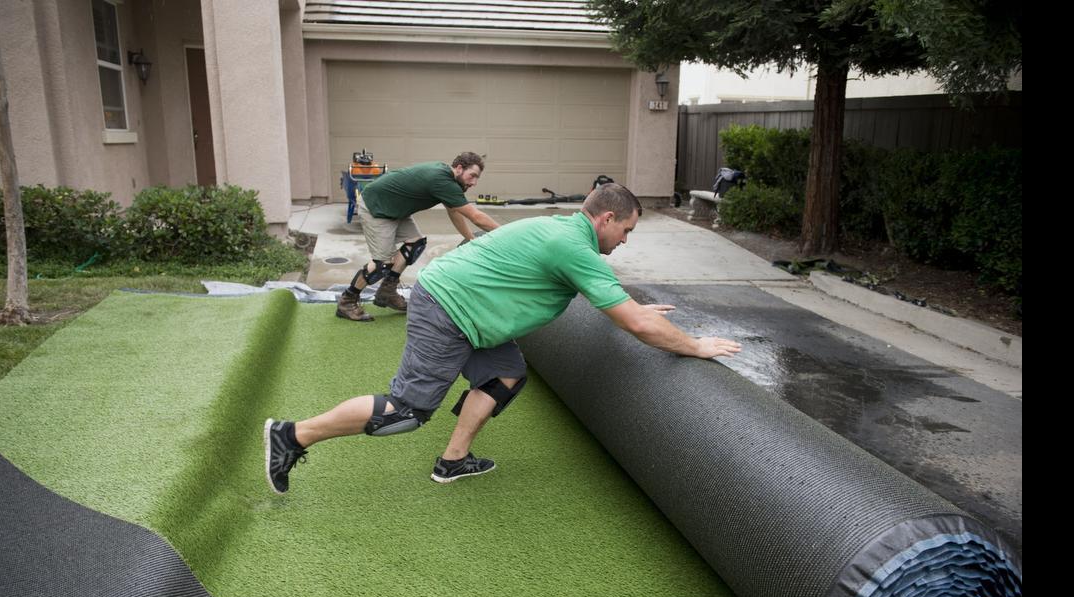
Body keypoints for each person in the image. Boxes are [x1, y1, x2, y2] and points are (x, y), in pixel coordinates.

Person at [264, 182, 742, 493]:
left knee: (507, 374)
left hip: (470, 308)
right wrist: (696, 346)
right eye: (627, 230)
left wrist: (634, 307)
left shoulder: (563, 231)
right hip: (450, 307)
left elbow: (591, 297)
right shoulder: (574, 247)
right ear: (606, 219)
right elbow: (635, 325)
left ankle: (453, 460)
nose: (626, 241)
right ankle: (292, 435)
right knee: (407, 412)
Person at [337, 151, 501, 320]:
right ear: (459, 168)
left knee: (415, 243)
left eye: (477, 178)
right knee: (382, 264)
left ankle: (387, 292)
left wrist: (471, 239)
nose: (474, 182)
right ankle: (347, 301)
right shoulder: (442, 181)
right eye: (472, 176)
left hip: (395, 208)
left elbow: (454, 211)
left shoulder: (448, 179)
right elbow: (476, 217)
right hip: (376, 206)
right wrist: (509, 233)